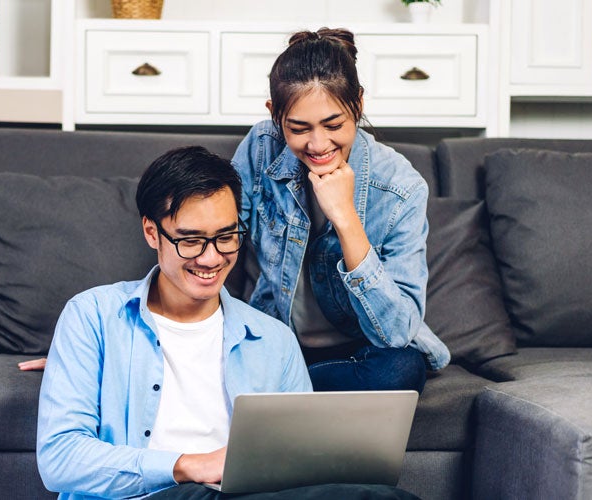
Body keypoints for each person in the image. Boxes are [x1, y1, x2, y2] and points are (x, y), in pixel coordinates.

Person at [35, 146, 417, 500]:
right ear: (152, 232)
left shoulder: (272, 339)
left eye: (226, 237)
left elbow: (297, 464)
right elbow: (60, 458)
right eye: (191, 240)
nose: (211, 258)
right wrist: (188, 465)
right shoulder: (93, 317)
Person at [231, 27, 450, 393]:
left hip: (360, 351)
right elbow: (223, 234)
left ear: (359, 105)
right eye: (299, 128)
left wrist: (345, 217)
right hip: (280, 343)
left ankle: (277, 394)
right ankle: (285, 390)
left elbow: (396, 332)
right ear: (274, 114)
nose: (318, 145)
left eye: (334, 125)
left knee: (401, 371)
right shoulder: (260, 147)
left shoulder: (400, 186)